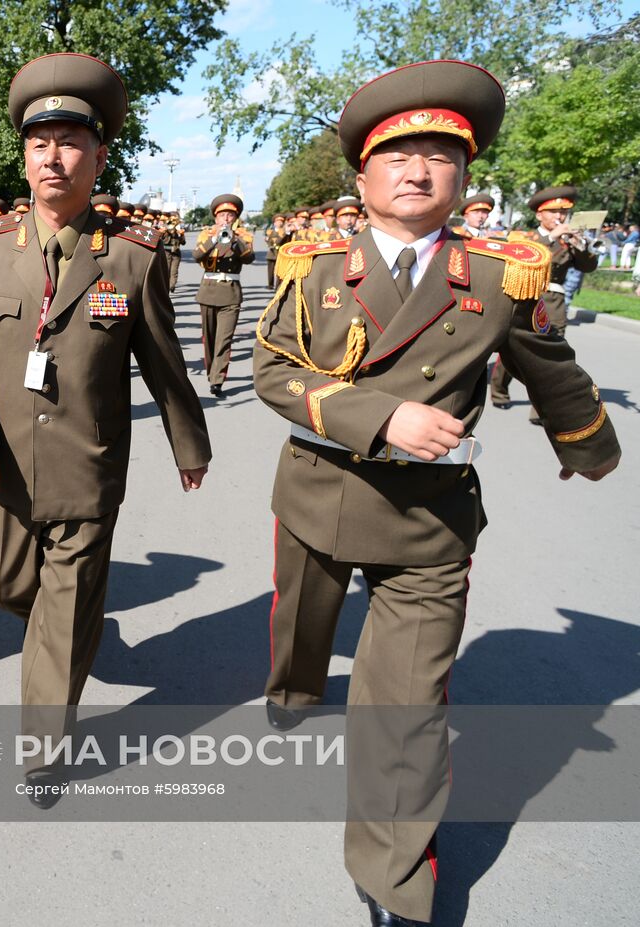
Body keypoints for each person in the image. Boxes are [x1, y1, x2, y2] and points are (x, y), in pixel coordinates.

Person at [254, 59, 620, 926]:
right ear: (364, 176)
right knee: (300, 632)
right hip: (318, 494)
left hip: (428, 521)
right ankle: (295, 689)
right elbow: (274, 370)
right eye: (399, 156)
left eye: (440, 158)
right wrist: (380, 418)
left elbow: (550, 367)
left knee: (408, 705)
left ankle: (390, 873)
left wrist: (589, 447)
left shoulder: (499, 274)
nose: (418, 172)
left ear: (463, 177)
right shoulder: (312, 265)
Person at [0, 53, 211, 805]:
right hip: (1, 462)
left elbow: (164, 362)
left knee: (62, 610)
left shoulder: (129, 259)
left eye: (70, 142)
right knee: (3, 584)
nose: (53, 156)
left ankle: (40, 751)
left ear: (98, 156)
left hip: (89, 465)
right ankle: (68, 625)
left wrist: (187, 443)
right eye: (40, 143)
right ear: (24, 156)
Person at [490, 185, 598, 417]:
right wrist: (551, 238)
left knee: (550, 358)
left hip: (554, 302)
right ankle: (499, 390)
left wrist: (582, 245)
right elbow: (525, 258)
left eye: (563, 212)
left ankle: (540, 410)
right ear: (539, 214)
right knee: (511, 348)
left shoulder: (568, 242)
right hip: (524, 298)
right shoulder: (525, 237)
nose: (560, 217)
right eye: (554, 212)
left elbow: (588, 267)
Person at [192, 193, 255, 398]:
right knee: (209, 338)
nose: (226, 219)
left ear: (235, 218)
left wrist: (234, 240)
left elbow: (249, 258)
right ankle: (212, 370)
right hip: (208, 290)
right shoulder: (206, 234)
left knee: (224, 339)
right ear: (215, 218)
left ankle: (218, 379)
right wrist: (214, 239)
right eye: (222, 215)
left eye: (230, 215)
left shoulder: (243, 236)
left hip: (231, 293)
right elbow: (197, 256)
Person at [264, 213, 289, 286]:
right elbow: (269, 241)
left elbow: (281, 241)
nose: (279, 223)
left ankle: (278, 285)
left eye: (281, 221)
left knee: (279, 270)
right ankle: (270, 284)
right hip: (271, 253)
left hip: (280, 253)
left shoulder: (284, 232)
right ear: (274, 223)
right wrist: (268, 242)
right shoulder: (270, 231)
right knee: (270, 270)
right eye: (277, 221)